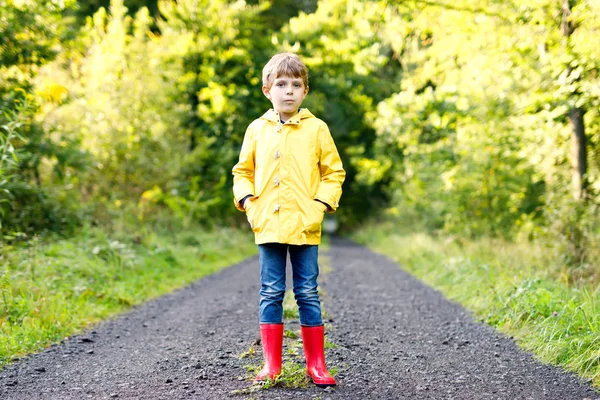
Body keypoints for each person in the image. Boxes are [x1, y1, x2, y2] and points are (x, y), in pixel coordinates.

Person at [232, 52, 345, 387]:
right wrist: (248, 202)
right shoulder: (257, 129)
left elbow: (333, 172)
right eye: (281, 84)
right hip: (267, 224)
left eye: (296, 85)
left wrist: (320, 205)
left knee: (308, 291)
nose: (289, 91)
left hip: (305, 225)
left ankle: (317, 365)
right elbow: (243, 172)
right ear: (268, 90)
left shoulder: (317, 129)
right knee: (271, 291)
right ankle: (272, 366)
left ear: (305, 91)